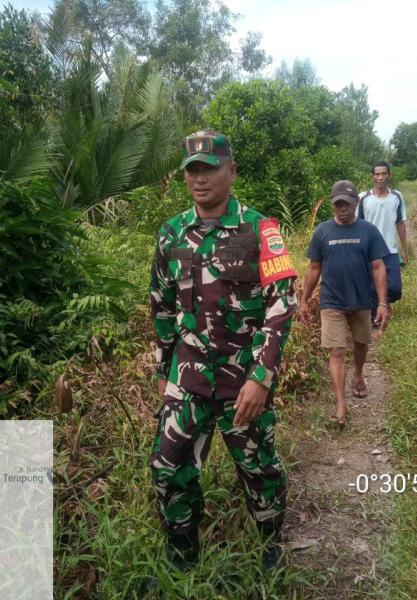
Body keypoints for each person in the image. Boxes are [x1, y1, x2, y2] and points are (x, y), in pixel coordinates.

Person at [149, 130, 297, 573]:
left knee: (258, 467)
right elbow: (161, 302)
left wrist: (261, 377)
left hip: (243, 377)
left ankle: (271, 541)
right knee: (166, 464)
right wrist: (162, 366)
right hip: (188, 372)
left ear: (231, 170)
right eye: (192, 170)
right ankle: (182, 550)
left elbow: (281, 305)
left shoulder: (260, 230)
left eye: (210, 168)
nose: (200, 178)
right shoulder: (171, 233)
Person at [296, 180, 390, 425]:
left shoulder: (368, 231)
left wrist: (382, 303)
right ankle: (340, 403)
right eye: (338, 204)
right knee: (337, 351)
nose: (343, 209)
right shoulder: (323, 231)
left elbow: (379, 267)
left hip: (361, 301)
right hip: (332, 301)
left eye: (347, 204)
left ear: (356, 203)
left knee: (361, 344)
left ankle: (357, 374)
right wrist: (304, 301)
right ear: (332, 205)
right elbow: (314, 268)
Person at [357, 161, 408, 325]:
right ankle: (376, 320)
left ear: (389, 175)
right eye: (377, 174)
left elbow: (400, 223)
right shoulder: (363, 198)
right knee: (371, 287)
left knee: (394, 287)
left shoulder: (396, 196)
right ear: (372, 177)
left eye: (384, 174)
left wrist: (404, 249)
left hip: (390, 250)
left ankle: (385, 304)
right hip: (369, 251)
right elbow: (356, 224)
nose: (380, 177)